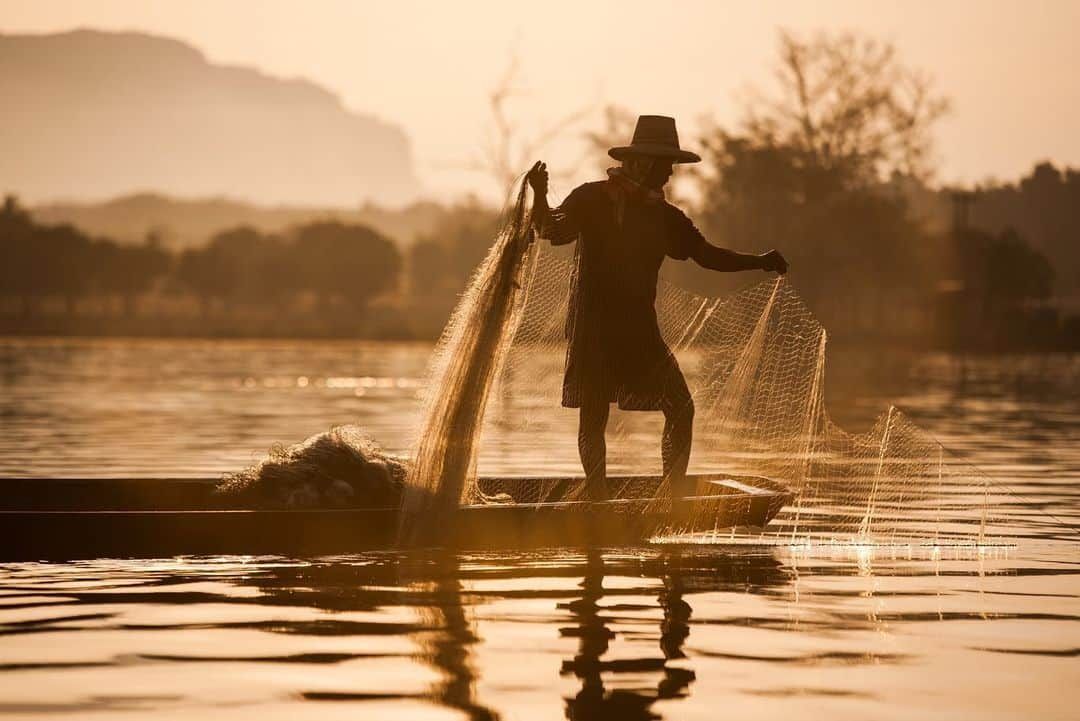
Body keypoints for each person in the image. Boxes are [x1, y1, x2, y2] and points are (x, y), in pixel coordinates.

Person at [527, 114, 787, 505]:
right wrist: (541, 194)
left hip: (638, 330)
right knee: (593, 416)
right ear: (639, 162)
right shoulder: (591, 199)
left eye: (670, 165)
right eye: (663, 164)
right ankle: (596, 502)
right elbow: (549, 229)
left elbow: (708, 256)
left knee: (680, 407)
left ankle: (672, 495)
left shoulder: (665, 217)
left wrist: (760, 261)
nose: (668, 174)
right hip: (594, 328)